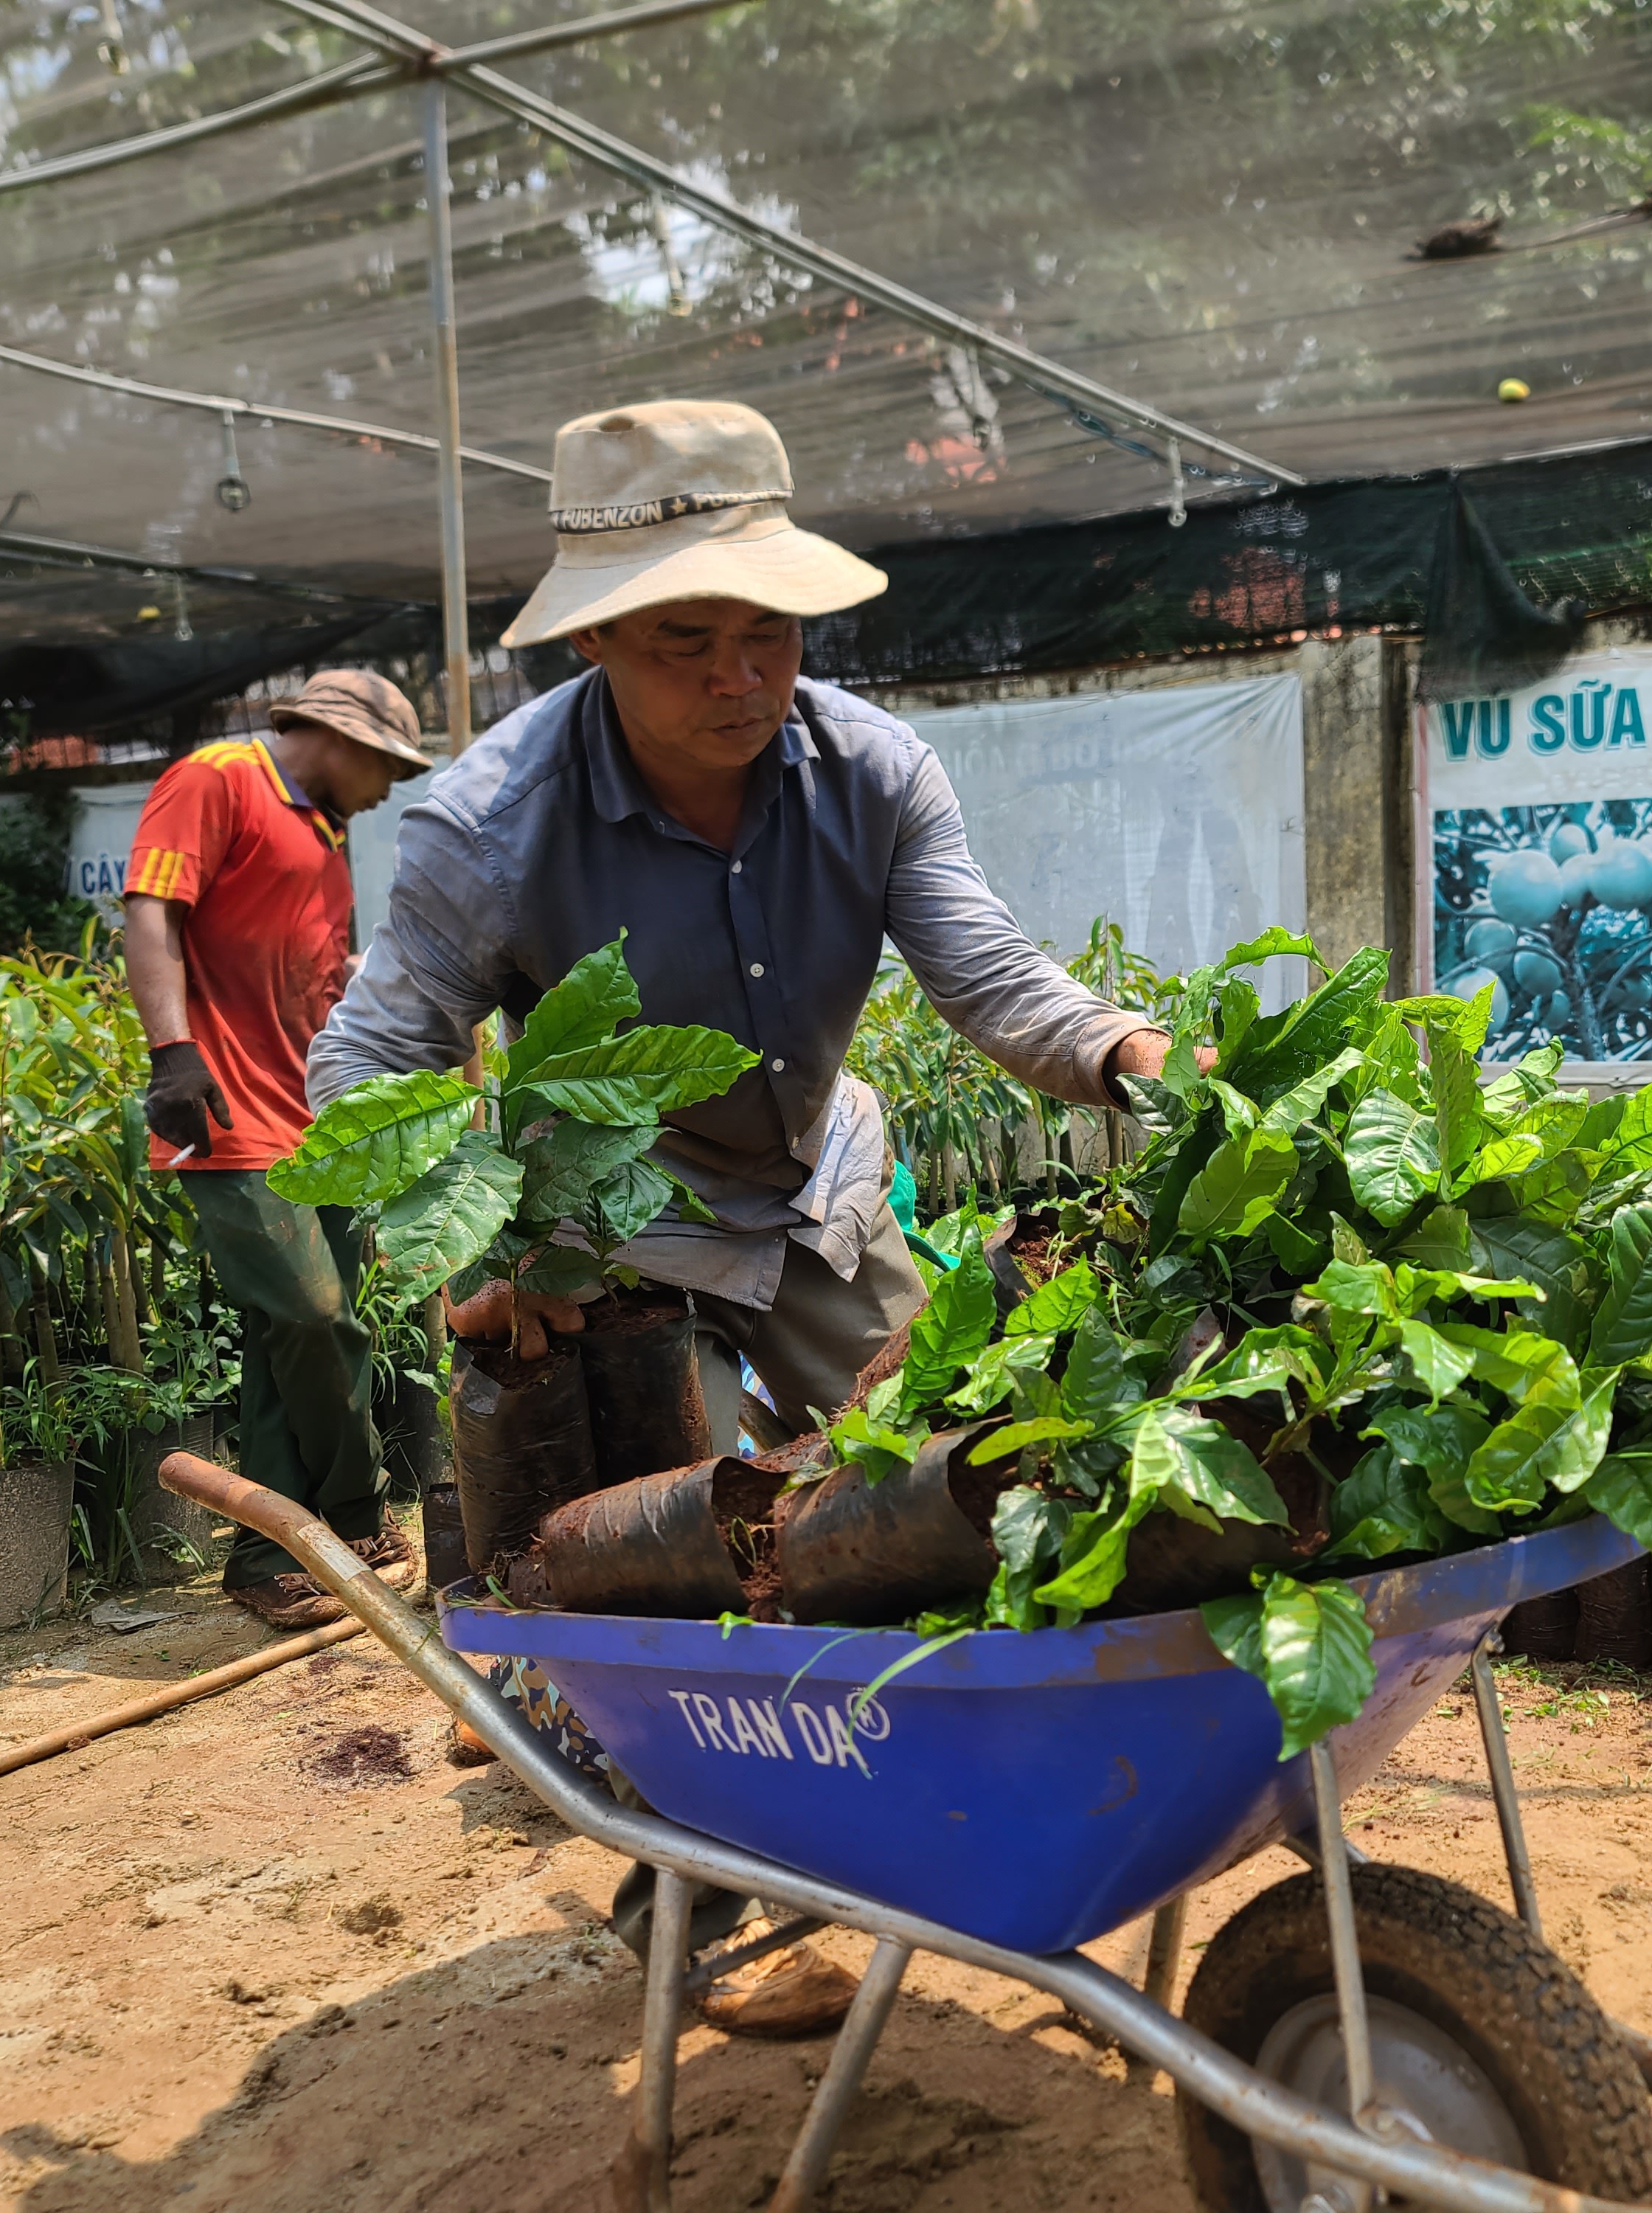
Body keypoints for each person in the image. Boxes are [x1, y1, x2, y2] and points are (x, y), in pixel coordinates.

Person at [305, 398, 1184, 2032]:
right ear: (596, 644)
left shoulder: (871, 774)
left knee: (945, 1488)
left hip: (822, 1188)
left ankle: (965, 1836)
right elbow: (367, 1069)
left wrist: (1130, 1054)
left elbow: (989, 979)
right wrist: (472, 1250)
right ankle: (691, 1867)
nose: (740, 676)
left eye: (768, 632)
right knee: (697, 1568)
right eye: (684, 639)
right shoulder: (484, 827)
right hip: (617, 1232)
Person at [122, 671, 434, 1631]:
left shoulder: (326, 831)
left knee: (285, 1344)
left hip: (314, 1121)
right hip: (227, 1115)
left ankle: (267, 1556)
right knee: (315, 1315)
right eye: (389, 765)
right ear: (341, 739)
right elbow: (150, 909)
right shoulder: (218, 778)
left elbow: (309, 966)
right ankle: (355, 1509)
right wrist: (172, 1052)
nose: (390, 787)